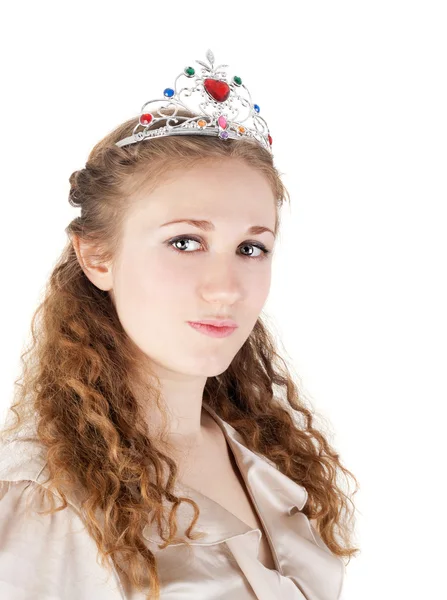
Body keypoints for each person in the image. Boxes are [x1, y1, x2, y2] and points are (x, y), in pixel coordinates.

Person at [0, 49, 359, 599]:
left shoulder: (267, 459)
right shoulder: (45, 498)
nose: (226, 287)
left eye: (250, 247)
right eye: (185, 242)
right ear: (98, 257)